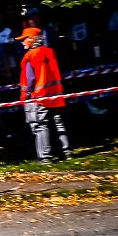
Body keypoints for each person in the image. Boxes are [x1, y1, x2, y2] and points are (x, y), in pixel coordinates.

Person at [17, 27, 71, 162]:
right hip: (55, 95)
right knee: (58, 123)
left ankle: (44, 157)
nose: (22, 42)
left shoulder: (30, 56)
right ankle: (67, 152)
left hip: (39, 96)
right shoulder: (50, 52)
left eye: (24, 39)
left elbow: (30, 79)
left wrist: (27, 95)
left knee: (40, 126)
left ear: (32, 39)